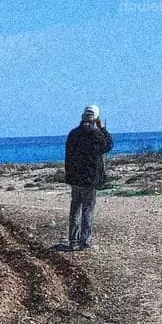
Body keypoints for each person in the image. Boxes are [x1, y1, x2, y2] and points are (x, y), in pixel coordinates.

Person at [64, 105, 113, 250]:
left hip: (75, 177)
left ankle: (73, 241)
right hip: (90, 178)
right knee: (87, 209)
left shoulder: (73, 134)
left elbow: (68, 156)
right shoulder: (95, 134)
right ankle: (85, 241)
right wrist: (103, 128)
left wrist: (68, 175)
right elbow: (109, 145)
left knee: (75, 209)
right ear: (96, 118)